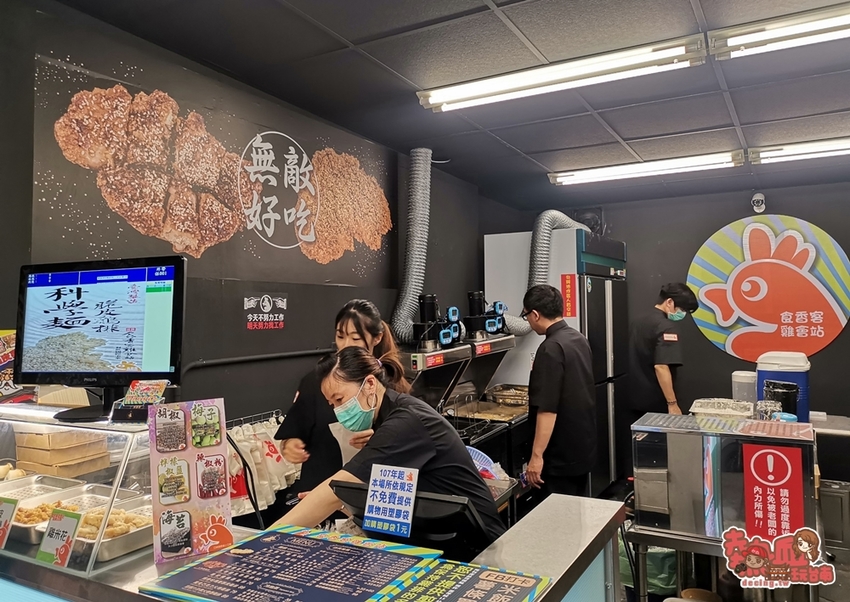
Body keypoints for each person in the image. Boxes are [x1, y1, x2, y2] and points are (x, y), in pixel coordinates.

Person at [271, 346, 505, 546]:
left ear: (369, 384)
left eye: (340, 399)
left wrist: (267, 539)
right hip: (435, 534)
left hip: (474, 543)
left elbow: (335, 489)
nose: (338, 411)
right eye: (332, 404)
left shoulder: (406, 422)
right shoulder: (385, 418)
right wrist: (347, 501)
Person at [274, 300, 408, 496]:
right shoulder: (318, 381)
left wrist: (380, 439)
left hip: (370, 494)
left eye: (355, 338)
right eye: (340, 336)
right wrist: (290, 445)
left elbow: (405, 445)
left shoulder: (390, 385)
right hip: (320, 491)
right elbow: (294, 430)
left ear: (377, 338)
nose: (346, 345)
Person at [521, 284, 596, 497]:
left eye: (526, 315)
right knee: (577, 507)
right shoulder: (578, 338)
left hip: (559, 456)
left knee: (557, 513)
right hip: (581, 448)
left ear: (535, 314)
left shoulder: (550, 349)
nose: (528, 321)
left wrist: (537, 456)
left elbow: (548, 409)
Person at [624, 283, 698, 473]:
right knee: (658, 454)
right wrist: (672, 403)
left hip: (633, 397)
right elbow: (661, 366)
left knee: (638, 452)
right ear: (669, 302)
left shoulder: (638, 321)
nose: (682, 314)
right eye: (682, 309)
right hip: (656, 401)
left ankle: (637, 484)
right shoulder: (666, 327)